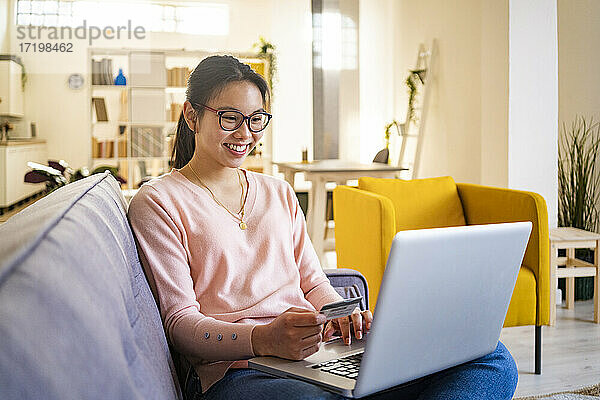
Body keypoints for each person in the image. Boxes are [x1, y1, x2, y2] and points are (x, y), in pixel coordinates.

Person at [127, 55, 518, 400]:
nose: (245, 133)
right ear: (192, 115)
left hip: (317, 355)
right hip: (238, 373)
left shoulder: (279, 193)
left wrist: (339, 313)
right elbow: (180, 324)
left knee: (489, 356)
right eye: (229, 118)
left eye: (256, 119)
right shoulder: (159, 201)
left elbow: (314, 283)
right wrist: (262, 339)